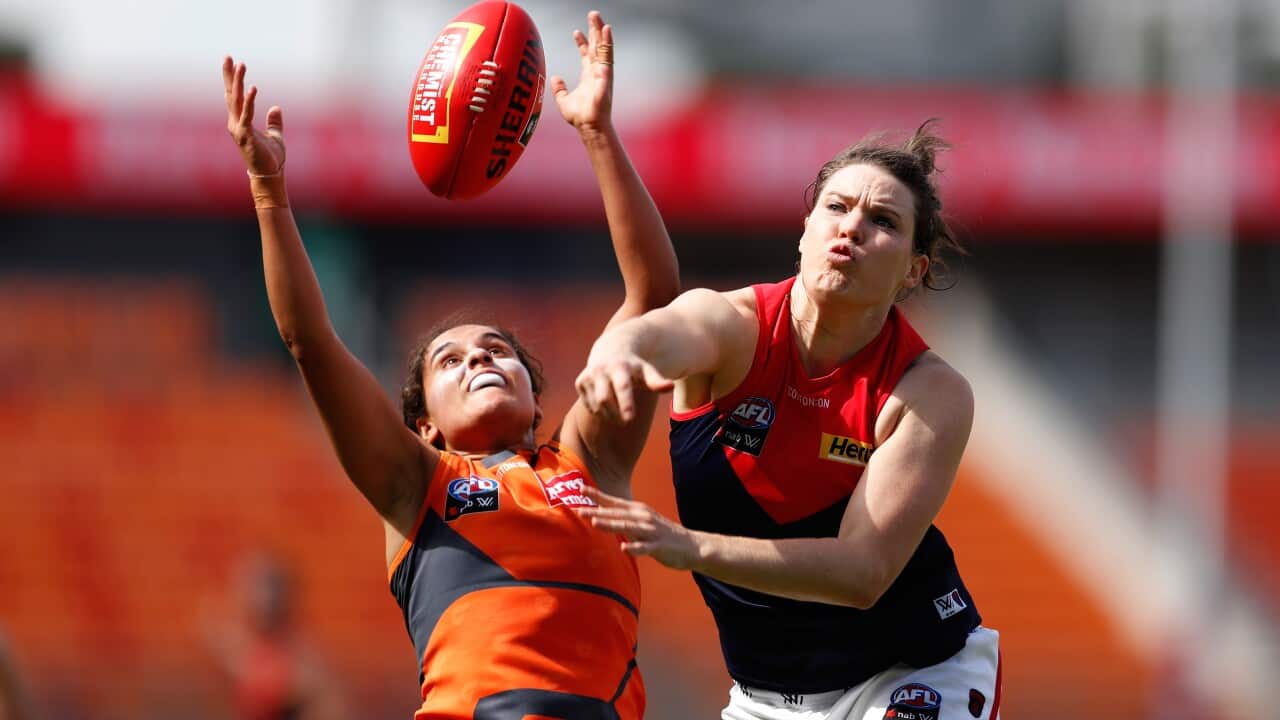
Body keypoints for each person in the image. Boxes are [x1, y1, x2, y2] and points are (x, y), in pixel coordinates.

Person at [221, 10, 679, 719]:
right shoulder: (417, 486)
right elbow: (308, 339)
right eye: (451, 360)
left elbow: (652, 296)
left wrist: (596, 132)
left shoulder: (590, 463)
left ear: (536, 396)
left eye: (500, 350)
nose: (482, 359)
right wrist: (269, 194)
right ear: (425, 425)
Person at [574, 124, 1002, 720]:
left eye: (884, 221)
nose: (852, 226)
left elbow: (862, 574)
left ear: (913, 270)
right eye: (837, 206)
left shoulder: (928, 390)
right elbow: (653, 334)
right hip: (764, 700)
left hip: (914, 669)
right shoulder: (732, 326)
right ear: (804, 232)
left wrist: (691, 546)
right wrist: (613, 357)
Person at [202, 552, 344, 720]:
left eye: (267, 587)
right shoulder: (232, 646)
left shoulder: (305, 659)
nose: (262, 598)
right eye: (251, 586)